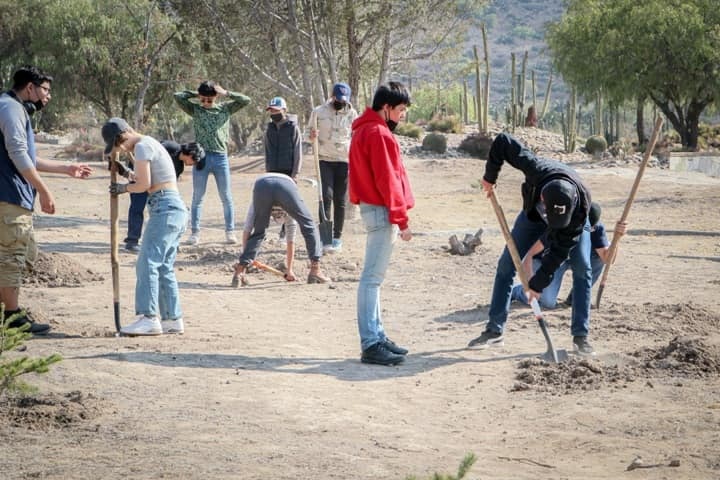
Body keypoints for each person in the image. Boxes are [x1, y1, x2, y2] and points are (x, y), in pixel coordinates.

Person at [468, 133, 596, 355]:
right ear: (543, 199)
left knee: (583, 267)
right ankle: (494, 330)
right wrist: (490, 176)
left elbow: (558, 251)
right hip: (532, 218)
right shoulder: (534, 167)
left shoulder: (580, 208)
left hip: (571, 225)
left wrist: (538, 283)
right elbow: (502, 142)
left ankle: (580, 336)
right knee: (507, 263)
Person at [0, 65, 93, 334]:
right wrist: (43, 189)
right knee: (12, 258)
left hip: (15, 197)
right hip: (9, 197)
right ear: (30, 88)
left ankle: (9, 310)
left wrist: (66, 169)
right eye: (45, 90)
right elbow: (17, 153)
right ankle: (12, 317)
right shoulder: (11, 108)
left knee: (24, 254)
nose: (47, 97)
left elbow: (26, 156)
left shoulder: (12, 109)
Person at [348, 81, 414, 366]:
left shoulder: (365, 129)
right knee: (371, 280)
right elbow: (387, 179)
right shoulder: (378, 134)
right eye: (400, 110)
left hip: (373, 209)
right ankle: (371, 343)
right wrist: (402, 219)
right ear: (386, 108)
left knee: (373, 280)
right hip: (381, 211)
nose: (402, 115)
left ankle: (377, 336)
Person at [103, 118, 187, 336]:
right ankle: (172, 319)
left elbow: (143, 185)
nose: (121, 148)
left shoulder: (141, 146)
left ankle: (148, 318)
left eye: (119, 144)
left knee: (147, 262)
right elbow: (145, 178)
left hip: (164, 207)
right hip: (173, 208)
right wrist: (125, 173)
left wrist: (122, 189)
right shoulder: (149, 144)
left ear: (124, 135)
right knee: (163, 266)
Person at [174, 81, 250, 245]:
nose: (206, 103)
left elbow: (246, 100)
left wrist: (226, 93)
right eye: (203, 100)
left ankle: (230, 232)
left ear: (216, 97)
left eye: (210, 100)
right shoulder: (196, 109)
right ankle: (195, 233)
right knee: (197, 197)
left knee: (226, 196)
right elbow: (178, 97)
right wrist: (196, 94)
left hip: (221, 158)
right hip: (201, 158)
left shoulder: (225, 109)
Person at [510, 202, 628, 308]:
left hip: (575, 260)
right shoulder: (558, 227)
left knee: (598, 257)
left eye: (591, 228)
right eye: (585, 228)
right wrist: (532, 285)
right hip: (547, 261)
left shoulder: (595, 229)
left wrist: (616, 239)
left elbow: (607, 259)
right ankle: (516, 291)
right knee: (547, 302)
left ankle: (576, 297)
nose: (588, 230)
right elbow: (529, 256)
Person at [231, 173, 329, 286]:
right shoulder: (291, 211)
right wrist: (249, 260)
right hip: (285, 186)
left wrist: (244, 262)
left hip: (262, 185)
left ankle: (239, 272)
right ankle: (315, 270)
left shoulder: (259, 206)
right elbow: (290, 241)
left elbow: (248, 231)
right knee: (309, 225)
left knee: (259, 231)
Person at [122, 141, 205, 252]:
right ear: (191, 154)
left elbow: (170, 185)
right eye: (194, 161)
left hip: (156, 186)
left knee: (161, 212)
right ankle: (132, 242)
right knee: (137, 207)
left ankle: (166, 241)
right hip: (139, 172)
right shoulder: (170, 147)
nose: (193, 165)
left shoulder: (179, 167)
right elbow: (149, 153)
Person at [308, 82, 358, 253]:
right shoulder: (318, 112)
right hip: (324, 159)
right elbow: (310, 132)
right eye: (338, 98)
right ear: (332, 96)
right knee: (326, 196)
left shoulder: (352, 114)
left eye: (343, 99)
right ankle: (325, 238)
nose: (340, 102)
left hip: (343, 161)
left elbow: (356, 136)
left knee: (340, 200)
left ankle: (337, 238)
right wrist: (312, 136)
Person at [242, 203, 298, 281]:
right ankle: (241, 269)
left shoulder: (291, 212)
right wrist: (245, 260)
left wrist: (289, 270)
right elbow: (247, 229)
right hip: (263, 198)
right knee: (259, 232)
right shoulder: (258, 204)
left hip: (281, 202)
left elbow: (291, 241)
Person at [264, 96, 302, 179]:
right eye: (272, 111)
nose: (274, 113)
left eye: (276, 110)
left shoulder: (293, 127)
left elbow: (297, 151)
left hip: (288, 172)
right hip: (272, 171)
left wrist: (295, 173)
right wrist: (268, 170)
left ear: (284, 110)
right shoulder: (269, 129)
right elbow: (267, 151)